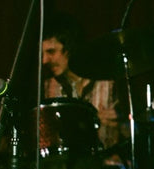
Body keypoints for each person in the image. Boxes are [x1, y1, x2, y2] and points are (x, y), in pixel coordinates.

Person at [41, 13, 127, 153]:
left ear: (70, 47)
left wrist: (122, 124)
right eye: (42, 54)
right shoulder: (49, 86)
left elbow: (139, 129)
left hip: (109, 165)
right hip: (69, 168)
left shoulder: (108, 80)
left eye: (51, 52)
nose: (44, 60)